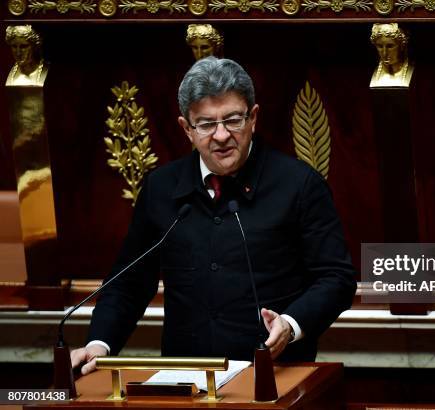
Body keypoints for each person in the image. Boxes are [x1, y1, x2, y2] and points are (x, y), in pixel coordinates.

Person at [71, 57, 357, 374]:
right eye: (206, 124)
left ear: (253, 118)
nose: (221, 136)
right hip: (185, 380)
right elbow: (128, 284)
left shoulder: (300, 185)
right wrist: (100, 343)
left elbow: (336, 278)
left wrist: (290, 325)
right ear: (186, 129)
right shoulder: (161, 188)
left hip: (275, 377)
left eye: (233, 120)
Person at [369, 23, 413, 88]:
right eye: (380, 46)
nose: (384, 53)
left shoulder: (412, 70)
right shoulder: (370, 73)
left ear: (402, 46)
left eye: (390, 46)